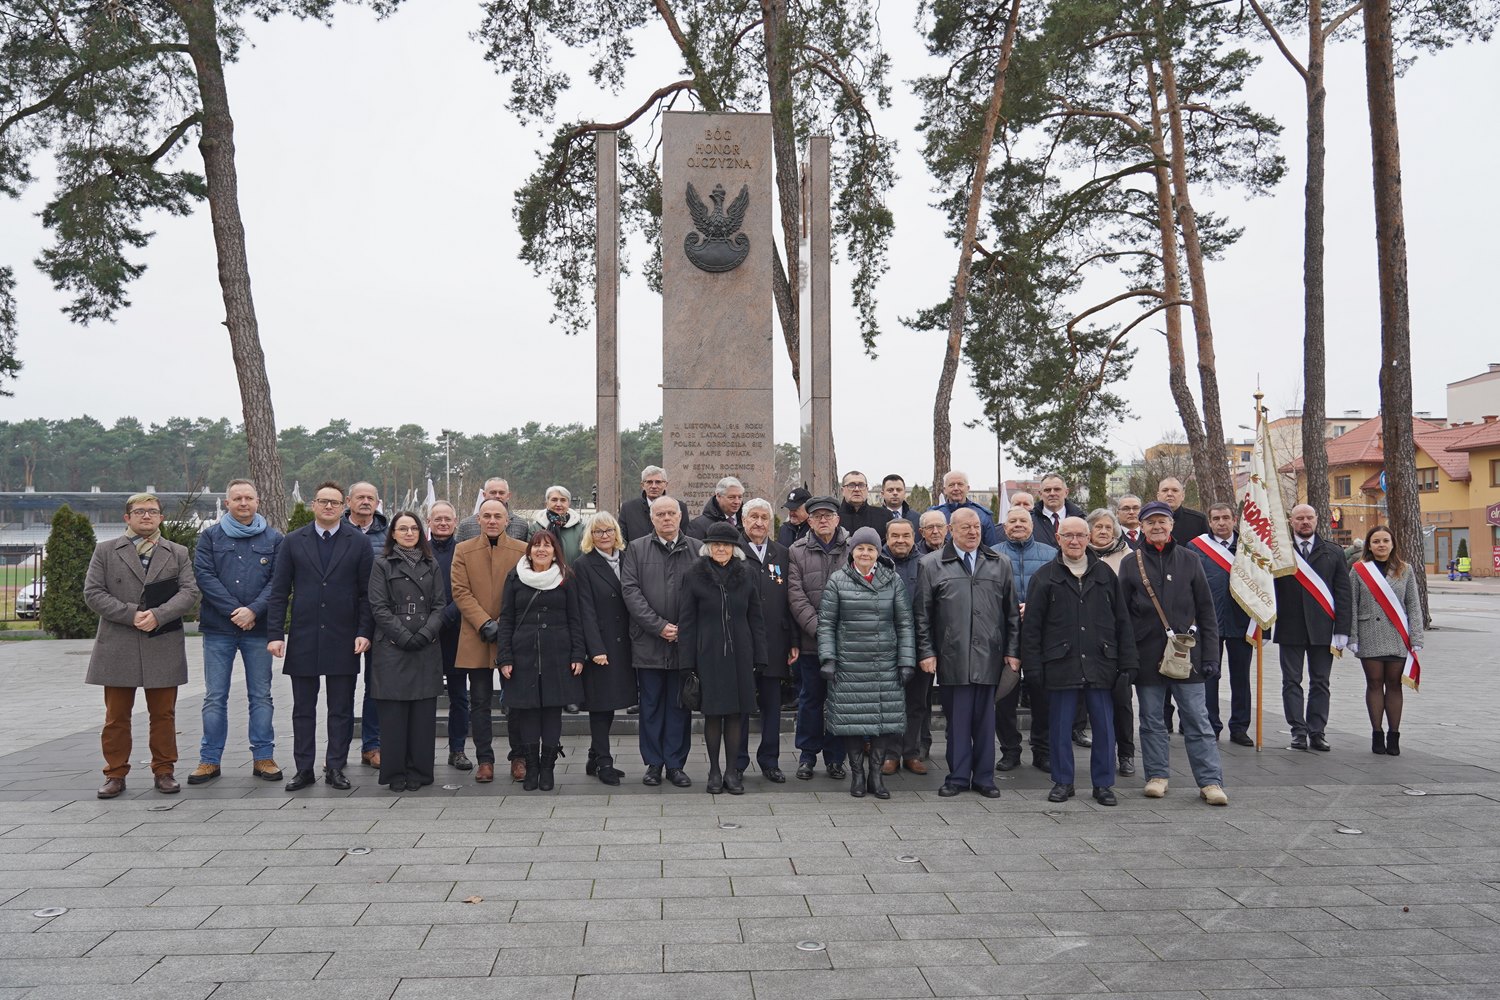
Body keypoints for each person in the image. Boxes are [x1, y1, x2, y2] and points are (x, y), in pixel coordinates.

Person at [85, 493, 202, 798]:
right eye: (139, 511)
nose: (146, 516)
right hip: (118, 642)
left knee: (164, 715)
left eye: (152, 511)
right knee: (116, 717)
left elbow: (189, 592)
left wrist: (159, 615)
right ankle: (115, 773)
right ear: (127, 517)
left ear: (161, 517)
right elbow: (93, 593)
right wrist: (131, 614)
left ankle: (164, 770)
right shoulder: (105, 551)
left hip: (161, 641)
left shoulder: (177, 552)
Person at [1118, 500, 1228, 806]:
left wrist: (1211, 657)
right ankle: (1157, 776)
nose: (1157, 526)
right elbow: (1122, 616)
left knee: (1197, 719)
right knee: (1152, 720)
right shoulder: (1130, 563)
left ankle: (1210, 781)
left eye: (1162, 521)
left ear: (1171, 525)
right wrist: (1126, 659)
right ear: (1141, 526)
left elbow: (1207, 611)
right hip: (1147, 655)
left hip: (1186, 655)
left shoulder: (1190, 559)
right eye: (1150, 522)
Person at [1023, 516, 1137, 806]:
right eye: (1068, 536)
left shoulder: (1105, 574)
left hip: (1101, 662)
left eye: (1080, 535)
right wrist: (1032, 666)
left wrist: (1128, 662)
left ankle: (1103, 784)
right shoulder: (1044, 576)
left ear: (1088, 538)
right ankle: (1063, 781)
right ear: (1058, 539)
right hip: (1060, 664)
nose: (1074, 541)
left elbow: (1122, 620)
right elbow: (1032, 627)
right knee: (1060, 727)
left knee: (1104, 727)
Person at [267, 482, 373, 792]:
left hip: (344, 636)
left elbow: (367, 594)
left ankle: (335, 766)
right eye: (323, 501)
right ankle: (303, 769)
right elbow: (279, 591)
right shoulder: (292, 541)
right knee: (303, 709)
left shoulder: (358, 542)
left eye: (335, 502)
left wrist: (363, 631)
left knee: (340, 708)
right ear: (313, 504)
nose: (328, 506)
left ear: (343, 507)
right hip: (305, 636)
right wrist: (275, 634)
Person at [914, 509, 1017, 798]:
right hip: (952, 656)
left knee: (986, 721)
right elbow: (922, 615)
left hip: (989, 655)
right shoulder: (930, 564)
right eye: (966, 527)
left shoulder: (1000, 563)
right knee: (957, 722)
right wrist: (926, 651)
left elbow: (1011, 613)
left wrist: (1012, 651)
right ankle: (958, 777)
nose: (973, 532)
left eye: (977, 527)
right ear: (951, 530)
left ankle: (985, 778)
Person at [189, 479, 283, 785]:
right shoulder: (210, 537)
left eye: (249, 498)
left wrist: (253, 611)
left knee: (261, 696)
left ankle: (264, 757)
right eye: (237, 498)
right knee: (215, 696)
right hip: (219, 628)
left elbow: (279, 581)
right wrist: (236, 612)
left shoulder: (274, 539)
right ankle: (209, 760)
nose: (243, 503)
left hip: (258, 628)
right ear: (227, 503)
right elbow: (205, 576)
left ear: (258, 501)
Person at [819, 526, 915, 799]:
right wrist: (828, 658)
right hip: (849, 664)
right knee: (852, 721)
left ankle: (876, 775)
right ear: (852, 551)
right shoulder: (838, 580)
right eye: (860, 548)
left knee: (883, 721)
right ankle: (858, 775)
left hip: (885, 663)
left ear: (878, 552)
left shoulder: (892, 580)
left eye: (870, 549)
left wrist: (906, 661)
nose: (865, 553)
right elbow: (826, 623)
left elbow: (904, 623)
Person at [621, 495, 704, 788]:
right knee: (651, 706)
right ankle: (653, 763)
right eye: (661, 514)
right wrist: (658, 626)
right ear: (652, 518)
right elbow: (630, 591)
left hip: (684, 643)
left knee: (680, 706)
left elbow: (704, 592)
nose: (667, 518)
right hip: (649, 642)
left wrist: (684, 628)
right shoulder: (636, 548)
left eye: (671, 513)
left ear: (680, 516)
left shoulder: (697, 549)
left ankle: (676, 764)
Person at [679, 522, 767, 794]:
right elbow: (687, 621)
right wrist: (687, 662)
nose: (721, 549)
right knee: (714, 714)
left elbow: (756, 617)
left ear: (734, 549)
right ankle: (714, 771)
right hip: (708, 653)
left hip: (741, 652)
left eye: (726, 545)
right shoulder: (694, 575)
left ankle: (731, 772)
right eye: (716, 544)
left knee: (736, 714)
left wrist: (760, 655)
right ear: (708, 547)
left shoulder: (747, 574)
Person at [497, 530, 585, 791]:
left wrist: (578, 654)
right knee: (527, 712)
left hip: (558, 654)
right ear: (529, 551)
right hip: (522, 654)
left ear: (555, 551)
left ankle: (547, 768)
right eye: (536, 546)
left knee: (552, 713)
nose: (541, 550)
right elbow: (506, 620)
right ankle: (532, 767)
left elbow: (575, 619)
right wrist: (504, 656)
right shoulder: (515, 577)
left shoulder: (566, 577)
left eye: (547, 546)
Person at [367, 512, 447, 792]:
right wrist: (403, 636)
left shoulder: (431, 563)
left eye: (414, 528)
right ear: (393, 533)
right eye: (403, 529)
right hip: (392, 646)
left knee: (423, 716)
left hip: (425, 645)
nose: (409, 533)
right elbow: (378, 607)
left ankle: (420, 771)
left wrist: (424, 634)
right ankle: (395, 772)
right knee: (394, 716)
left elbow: (440, 605)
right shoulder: (382, 564)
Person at [450, 498, 528, 783]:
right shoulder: (463, 550)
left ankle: (519, 756)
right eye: (487, 516)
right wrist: (484, 622)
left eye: (498, 516)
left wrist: (504, 624)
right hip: (476, 634)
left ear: (507, 520)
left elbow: (526, 589)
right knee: (480, 702)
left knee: (516, 701)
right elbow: (460, 591)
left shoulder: (522, 550)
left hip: (512, 635)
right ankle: (485, 759)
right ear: (478, 519)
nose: (492, 520)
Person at [1272, 503, 1352, 752]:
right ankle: (1298, 731)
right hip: (1290, 627)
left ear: (1317, 519)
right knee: (1291, 682)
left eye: (1309, 517)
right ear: (1291, 522)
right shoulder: (1279, 552)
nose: (1305, 522)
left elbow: (1343, 593)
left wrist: (1343, 629)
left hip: (1322, 628)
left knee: (1320, 682)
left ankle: (1317, 731)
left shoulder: (1333, 552)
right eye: (1299, 518)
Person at [787, 495, 851, 780]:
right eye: (817, 516)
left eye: (828, 515)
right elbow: (795, 596)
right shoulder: (796, 550)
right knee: (810, 700)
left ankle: (836, 758)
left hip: (845, 643)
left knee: (839, 701)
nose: (823, 520)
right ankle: (807, 756)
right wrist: (820, 629)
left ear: (837, 519)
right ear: (809, 521)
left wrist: (839, 630)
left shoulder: (852, 548)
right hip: (811, 642)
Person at [735, 498, 799, 783]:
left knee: (772, 706)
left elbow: (791, 600)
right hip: (742, 643)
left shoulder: (782, 553)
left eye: (764, 517)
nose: (759, 523)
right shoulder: (733, 551)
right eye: (754, 517)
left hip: (775, 642)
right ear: (744, 520)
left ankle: (770, 761)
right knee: (741, 707)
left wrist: (793, 640)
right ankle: (737, 762)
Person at [1350, 525, 1424, 756]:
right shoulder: (1359, 570)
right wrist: (1352, 636)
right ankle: (1376, 734)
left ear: (1393, 544)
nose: (1381, 545)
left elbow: (1413, 605)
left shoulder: (1405, 569)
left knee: (1394, 684)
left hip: (1397, 634)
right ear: (1369, 546)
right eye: (1376, 541)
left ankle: (1394, 735)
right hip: (1369, 632)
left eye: (1385, 541)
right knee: (1374, 682)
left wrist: (1416, 636)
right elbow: (1351, 605)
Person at [575, 512, 637, 785]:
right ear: (591, 535)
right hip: (602, 645)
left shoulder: (627, 558)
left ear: (616, 533)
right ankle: (604, 761)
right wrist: (595, 648)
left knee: (611, 704)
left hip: (626, 643)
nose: (604, 536)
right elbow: (585, 610)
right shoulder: (583, 564)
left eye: (609, 530)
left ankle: (593, 755)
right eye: (598, 531)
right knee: (600, 706)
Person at [996, 505, 1058, 772]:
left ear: (1032, 526)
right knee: (1004, 697)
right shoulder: (993, 554)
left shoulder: (1051, 554)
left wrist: (1034, 607)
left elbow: (1059, 593)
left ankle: (1042, 750)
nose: (1018, 525)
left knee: (1042, 696)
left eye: (1023, 520)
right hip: (1003, 635)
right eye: (1013, 521)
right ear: (1004, 527)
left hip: (1041, 635)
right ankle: (1010, 750)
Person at [1188, 502, 1255, 747]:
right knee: (1208, 676)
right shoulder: (1196, 548)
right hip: (1208, 624)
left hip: (1241, 622)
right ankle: (1210, 726)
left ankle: (1239, 727)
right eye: (1216, 518)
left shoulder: (1249, 548)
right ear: (1209, 521)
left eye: (1226, 517)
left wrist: (1262, 626)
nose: (1221, 522)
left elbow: (1262, 586)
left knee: (1241, 678)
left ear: (1234, 519)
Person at [1085, 508, 1136, 775]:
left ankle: (1126, 753)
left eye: (1108, 527)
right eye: (1098, 527)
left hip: (1117, 638)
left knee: (1122, 699)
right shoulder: (1079, 555)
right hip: (1085, 639)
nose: (1104, 531)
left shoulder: (1130, 557)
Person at [882, 518, 930, 774]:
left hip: (919, 643)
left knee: (917, 702)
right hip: (886, 645)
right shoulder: (876, 563)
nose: (900, 540)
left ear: (914, 537)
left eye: (905, 536)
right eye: (895, 536)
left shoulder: (927, 564)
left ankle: (911, 752)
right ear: (887, 538)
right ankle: (890, 754)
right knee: (890, 702)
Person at [344, 481, 386, 769]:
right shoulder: (336, 531)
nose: (365, 501)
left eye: (370, 498)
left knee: (375, 686)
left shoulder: (388, 534)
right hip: (343, 620)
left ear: (377, 503)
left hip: (379, 619)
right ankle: (339, 748)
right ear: (349, 501)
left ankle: (372, 745)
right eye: (360, 497)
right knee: (342, 688)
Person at [427, 501, 470, 770]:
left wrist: (445, 616)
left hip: (457, 632)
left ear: (455, 522)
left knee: (459, 697)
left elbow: (469, 588)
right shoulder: (418, 551)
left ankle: (458, 750)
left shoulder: (464, 551)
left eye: (447, 519)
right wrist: (432, 621)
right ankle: (421, 751)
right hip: (425, 635)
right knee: (425, 698)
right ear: (429, 522)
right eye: (438, 519)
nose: (443, 523)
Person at [928, 470, 1000, 548]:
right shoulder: (934, 515)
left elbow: (992, 549)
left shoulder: (983, 515)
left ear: (967, 488)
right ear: (945, 490)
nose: (956, 488)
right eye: (951, 485)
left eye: (960, 484)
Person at [620, 466, 690, 542]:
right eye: (649, 482)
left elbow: (684, 538)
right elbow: (622, 540)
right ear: (642, 485)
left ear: (666, 484)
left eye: (658, 482)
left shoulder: (680, 507)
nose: (654, 486)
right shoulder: (628, 509)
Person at [457, 478, 530, 542]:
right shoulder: (466, 525)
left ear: (508, 496)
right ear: (484, 495)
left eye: (501, 493)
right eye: (493, 492)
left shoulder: (521, 525)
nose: (497, 496)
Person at [530, 485, 586, 564]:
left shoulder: (581, 530)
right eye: (554, 500)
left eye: (563, 500)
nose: (558, 504)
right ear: (546, 503)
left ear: (569, 503)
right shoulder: (535, 529)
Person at [1031, 473, 1086, 549]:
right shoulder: (1030, 521)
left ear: (1066, 492)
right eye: (1047, 490)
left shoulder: (1081, 519)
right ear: (1040, 494)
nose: (1052, 493)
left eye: (1057, 489)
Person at [1157, 477, 1209, 547]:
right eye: (1165, 490)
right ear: (1158, 496)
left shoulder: (1199, 520)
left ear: (1183, 496)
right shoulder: (1147, 520)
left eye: (1175, 490)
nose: (1169, 494)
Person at [836, 470, 888, 535]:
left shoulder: (884, 516)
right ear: (842, 491)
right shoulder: (833, 517)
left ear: (867, 490)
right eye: (851, 485)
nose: (857, 489)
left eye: (861, 485)